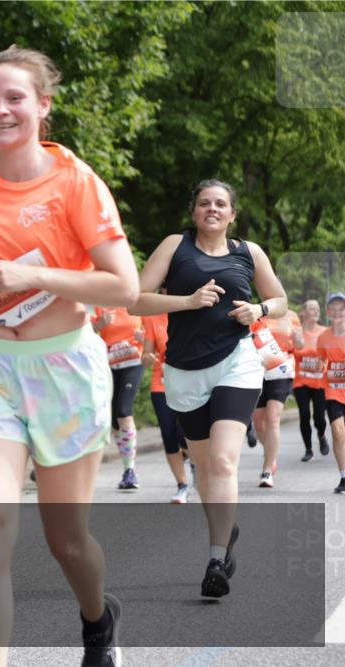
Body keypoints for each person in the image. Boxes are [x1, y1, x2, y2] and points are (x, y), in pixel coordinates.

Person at [0, 44, 136, 667]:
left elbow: (122, 287)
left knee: (66, 541)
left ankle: (99, 621)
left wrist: (40, 279)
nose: (1, 109)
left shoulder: (76, 181)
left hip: (63, 369)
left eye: (15, 97)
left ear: (43, 107)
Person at [131, 178, 287, 598]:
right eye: (205, 203)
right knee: (203, 469)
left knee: (221, 462)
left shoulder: (248, 253)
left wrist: (259, 309)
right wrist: (186, 301)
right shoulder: (174, 246)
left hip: (236, 363)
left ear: (232, 214)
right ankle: (225, 529)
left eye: (221, 204)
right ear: (194, 211)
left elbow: (280, 301)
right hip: (183, 371)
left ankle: (216, 558)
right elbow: (135, 300)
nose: (212, 209)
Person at [142, 308, 194, 503]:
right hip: (161, 382)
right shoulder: (152, 317)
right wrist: (147, 357)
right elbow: (146, 354)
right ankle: (182, 485)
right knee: (169, 434)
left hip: (189, 382)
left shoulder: (190, 311)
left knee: (185, 433)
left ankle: (196, 463)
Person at [92, 306, 145, 490]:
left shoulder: (134, 303)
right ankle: (126, 468)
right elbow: (86, 333)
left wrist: (145, 338)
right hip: (108, 366)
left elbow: (152, 333)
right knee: (114, 419)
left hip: (134, 362)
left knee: (123, 411)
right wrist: (100, 324)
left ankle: (130, 470)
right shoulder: (99, 305)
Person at [249, 309, 300, 486]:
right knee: (259, 424)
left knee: (272, 418)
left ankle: (267, 470)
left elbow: (299, 345)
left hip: (282, 370)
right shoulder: (254, 311)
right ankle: (270, 454)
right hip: (258, 371)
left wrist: (297, 336)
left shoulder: (291, 315)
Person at [292, 299, 330, 461]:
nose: (316, 311)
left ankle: (321, 435)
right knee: (304, 414)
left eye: (317, 309)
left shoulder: (325, 332)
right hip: (300, 381)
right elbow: (289, 352)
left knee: (319, 417)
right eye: (312, 308)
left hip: (321, 382)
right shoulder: (296, 332)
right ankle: (308, 449)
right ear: (304, 312)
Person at [317, 291, 345, 494]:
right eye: (333, 308)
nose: (337, 312)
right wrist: (319, 366)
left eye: (341, 308)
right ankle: (344, 477)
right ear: (328, 312)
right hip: (333, 391)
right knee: (337, 431)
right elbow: (321, 360)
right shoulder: (323, 337)